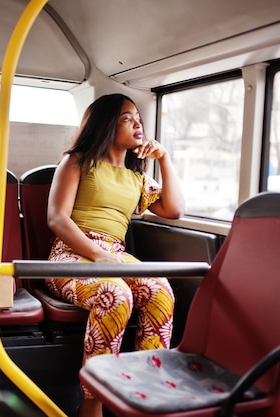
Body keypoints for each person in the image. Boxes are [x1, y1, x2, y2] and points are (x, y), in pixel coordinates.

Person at [46, 93, 185, 417]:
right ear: (107, 124)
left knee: (160, 292)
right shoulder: (77, 161)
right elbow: (57, 218)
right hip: (71, 254)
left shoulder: (137, 178)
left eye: (138, 116)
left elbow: (175, 210)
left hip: (114, 254)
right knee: (114, 294)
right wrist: (96, 254)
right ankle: (92, 402)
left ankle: (145, 394)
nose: (137, 123)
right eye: (126, 118)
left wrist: (163, 158)